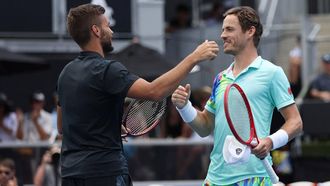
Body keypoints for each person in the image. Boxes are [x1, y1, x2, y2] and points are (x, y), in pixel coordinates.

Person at [57, 3, 218, 186]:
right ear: (96, 30)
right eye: (107, 26)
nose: (111, 31)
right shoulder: (108, 70)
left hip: (70, 174)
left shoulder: (66, 73)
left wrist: (106, 125)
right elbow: (154, 91)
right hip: (105, 172)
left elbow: (63, 126)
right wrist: (194, 57)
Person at [172, 6, 303, 185]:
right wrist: (184, 107)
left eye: (229, 29)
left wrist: (271, 141)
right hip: (215, 178)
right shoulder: (220, 78)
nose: (222, 36)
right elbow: (205, 127)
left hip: (254, 177)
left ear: (250, 31)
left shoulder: (272, 73)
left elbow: (295, 122)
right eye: (223, 30)